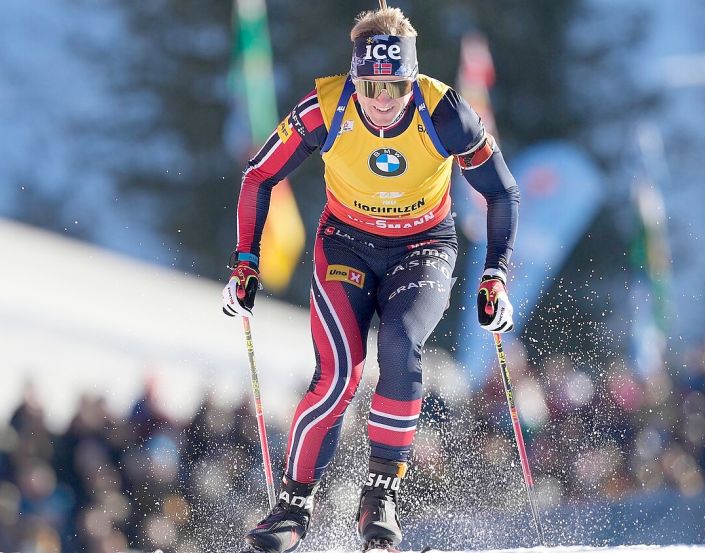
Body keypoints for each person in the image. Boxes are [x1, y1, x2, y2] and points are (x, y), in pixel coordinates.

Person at [222, 7, 519, 553]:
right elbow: (259, 174)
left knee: (403, 347)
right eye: (371, 86)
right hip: (347, 245)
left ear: (412, 79)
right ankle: (292, 505)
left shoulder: (447, 111)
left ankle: (378, 497)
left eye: (396, 87)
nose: (382, 100)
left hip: (423, 246)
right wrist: (245, 263)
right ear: (356, 78)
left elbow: (501, 192)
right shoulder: (326, 106)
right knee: (338, 375)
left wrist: (495, 274)